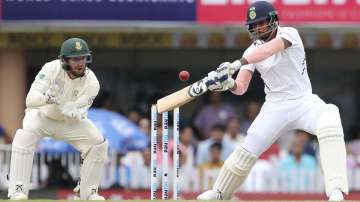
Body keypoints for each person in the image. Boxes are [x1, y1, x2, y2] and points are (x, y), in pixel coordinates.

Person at [197, 1, 348, 201]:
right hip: (275, 107)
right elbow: (241, 87)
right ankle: (219, 193)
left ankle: (336, 190)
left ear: (273, 19)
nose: (259, 27)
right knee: (247, 149)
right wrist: (228, 84)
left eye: (262, 22)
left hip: (304, 102)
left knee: (330, 116)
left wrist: (236, 63)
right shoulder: (250, 52)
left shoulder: (289, 34)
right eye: (254, 25)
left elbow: (268, 50)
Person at [7, 38, 108, 200]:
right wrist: (46, 98)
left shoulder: (92, 82)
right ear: (64, 60)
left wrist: (73, 110)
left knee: (98, 143)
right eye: (75, 59)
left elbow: (80, 110)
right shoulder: (51, 68)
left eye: (82, 58)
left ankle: (87, 193)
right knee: (25, 134)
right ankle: (17, 190)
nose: (80, 63)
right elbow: (30, 100)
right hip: (42, 116)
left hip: (68, 123)